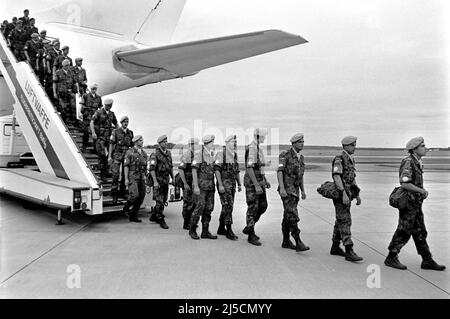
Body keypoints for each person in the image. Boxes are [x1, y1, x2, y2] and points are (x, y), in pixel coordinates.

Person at [384, 137, 445, 271]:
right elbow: (404, 182)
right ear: (415, 149)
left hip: (415, 204)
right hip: (408, 204)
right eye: (422, 146)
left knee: (420, 232)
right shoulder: (408, 162)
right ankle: (391, 257)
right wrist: (421, 190)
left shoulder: (417, 162)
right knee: (404, 231)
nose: (425, 148)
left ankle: (427, 260)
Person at [330, 136, 363, 262]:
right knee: (345, 220)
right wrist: (343, 193)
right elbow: (337, 176)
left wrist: (357, 194)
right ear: (346, 146)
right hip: (340, 194)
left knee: (340, 220)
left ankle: (335, 246)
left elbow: (351, 178)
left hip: (348, 193)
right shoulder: (339, 159)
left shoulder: (350, 159)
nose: (355, 147)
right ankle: (349, 249)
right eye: (353, 145)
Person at [277, 133, 310, 252]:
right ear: (294, 143)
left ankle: (286, 241)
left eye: (303, 141)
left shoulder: (301, 158)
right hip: (287, 189)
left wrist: (303, 190)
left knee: (287, 216)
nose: (302, 144)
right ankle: (298, 241)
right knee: (293, 215)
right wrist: (281, 188)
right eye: (300, 142)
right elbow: (280, 171)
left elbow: (300, 176)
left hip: (295, 190)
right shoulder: (285, 155)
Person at [243, 128, 271, 246]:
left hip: (260, 181)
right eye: (263, 136)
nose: (265, 138)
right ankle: (251, 235)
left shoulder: (258, 148)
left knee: (263, 205)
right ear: (258, 136)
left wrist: (265, 180)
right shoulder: (252, 148)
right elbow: (249, 168)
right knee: (253, 208)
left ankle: (249, 227)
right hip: (252, 182)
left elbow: (259, 166)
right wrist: (256, 185)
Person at [188, 135, 218, 240]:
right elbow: (194, 170)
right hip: (201, 186)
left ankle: (205, 231)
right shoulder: (199, 154)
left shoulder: (210, 153)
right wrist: (195, 186)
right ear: (208, 142)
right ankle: (192, 229)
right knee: (199, 207)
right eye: (212, 142)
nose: (213, 143)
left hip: (210, 186)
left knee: (209, 208)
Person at [214, 135, 241, 240]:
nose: (235, 144)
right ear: (227, 143)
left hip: (232, 185)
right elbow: (217, 170)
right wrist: (220, 184)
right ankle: (229, 229)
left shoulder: (234, 155)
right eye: (232, 142)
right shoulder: (221, 154)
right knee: (228, 207)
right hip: (224, 185)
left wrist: (239, 183)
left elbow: (237, 170)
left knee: (227, 206)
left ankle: (221, 228)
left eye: (235, 142)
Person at [148, 135, 173, 229]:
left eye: (166, 141)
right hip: (158, 180)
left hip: (165, 180)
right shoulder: (154, 154)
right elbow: (152, 169)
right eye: (164, 142)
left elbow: (170, 167)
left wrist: (173, 178)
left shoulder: (168, 153)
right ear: (159, 143)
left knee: (164, 199)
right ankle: (160, 218)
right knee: (159, 201)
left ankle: (154, 215)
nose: (165, 143)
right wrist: (155, 182)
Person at [90, 98, 118, 182]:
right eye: (107, 106)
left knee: (109, 155)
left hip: (109, 138)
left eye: (110, 106)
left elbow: (116, 124)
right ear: (105, 105)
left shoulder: (112, 114)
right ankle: (102, 175)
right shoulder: (98, 112)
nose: (108, 107)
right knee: (102, 155)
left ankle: (105, 172)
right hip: (100, 137)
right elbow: (92, 122)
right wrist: (93, 132)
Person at [108, 116, 133, 205]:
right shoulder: (116, 131)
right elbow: (111, 144)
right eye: (124, 122)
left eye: (127, 122)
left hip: (126, 156)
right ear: (121, 122)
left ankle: (122, 192)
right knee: (115, 174)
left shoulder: (130, 133)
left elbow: (132, 146)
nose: (126, 123)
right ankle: (114, 194)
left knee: (124, 174)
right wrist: (109, 156)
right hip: (117, 155)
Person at [123, 135, 148, 223]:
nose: (142, 141)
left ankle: (133, 215)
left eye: (142, 140)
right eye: (140, 140)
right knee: (134, 195)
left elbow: (145, 166)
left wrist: (145, 175)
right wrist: (126, 179)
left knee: (141, 196)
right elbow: (126, 166)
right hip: (132, 175)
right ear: (136, 141)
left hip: (141, 176)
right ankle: (126, 208)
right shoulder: (130, 152)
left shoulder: (144, 154)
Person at [178, 137, 200, 230]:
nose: (198, 145)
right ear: (191, 144)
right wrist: (185, 184)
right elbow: (181, 169)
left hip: (193, 183)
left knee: (194, 202)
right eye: (196, 143)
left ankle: (191, 221)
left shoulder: (196, 154)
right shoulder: (187, 155)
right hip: (188, 182)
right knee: (187, 203)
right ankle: (186, 222)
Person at [80, 83, 102, 151]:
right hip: (87, 117)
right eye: (93, 89)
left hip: (94, 118)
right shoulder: (85, 95)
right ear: (90, 89)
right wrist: (84, 113)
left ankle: (95, 149)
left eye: (95, 89)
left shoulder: (98, 97)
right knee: (86, 132)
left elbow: (100, 107)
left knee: (95, 133)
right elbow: (82, 105)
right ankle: (84, 146)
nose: (94, 90)